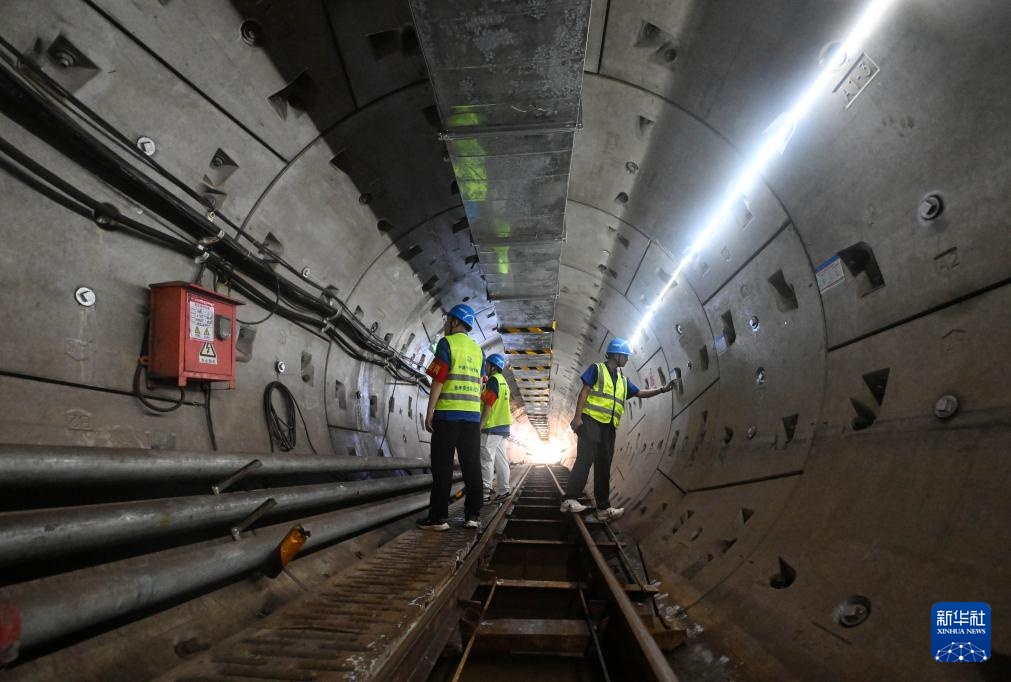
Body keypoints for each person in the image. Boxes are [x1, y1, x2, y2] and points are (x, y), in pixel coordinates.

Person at [560, 338, 675, 521]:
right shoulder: (596, 369)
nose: (627, 359)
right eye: (625, 356)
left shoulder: (622, 380)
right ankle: (569, 500)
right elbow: (585, 391)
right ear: (615, 354)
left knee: (603, 466)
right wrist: (577, 417)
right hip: (591, 421)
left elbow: (639, 393)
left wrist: (662, 389)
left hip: (609, 426)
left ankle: (603, 509)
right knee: (585, 460)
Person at [417, 304, 485, 531]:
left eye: (448, 321)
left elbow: (439, 379)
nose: (446, 325)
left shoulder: (447, 344)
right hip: (472, 418)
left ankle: (438, 518)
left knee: (443, 467)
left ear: (455, 322)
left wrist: (430, 411)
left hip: (447, 415)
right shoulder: (479, 351)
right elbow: (481, 383)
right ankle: (473, 516)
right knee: (472, 466)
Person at [479, 353, 512, 501]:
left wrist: (480, 425)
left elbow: (488, 405)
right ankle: (504, 490)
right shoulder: (503, 381)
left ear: (493, 367)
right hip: (503, 427)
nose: (485, 367)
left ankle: (485, 493)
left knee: (487, 459)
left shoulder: (493, 381)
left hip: (491, 427)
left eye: (487, 365)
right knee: (501, 460)